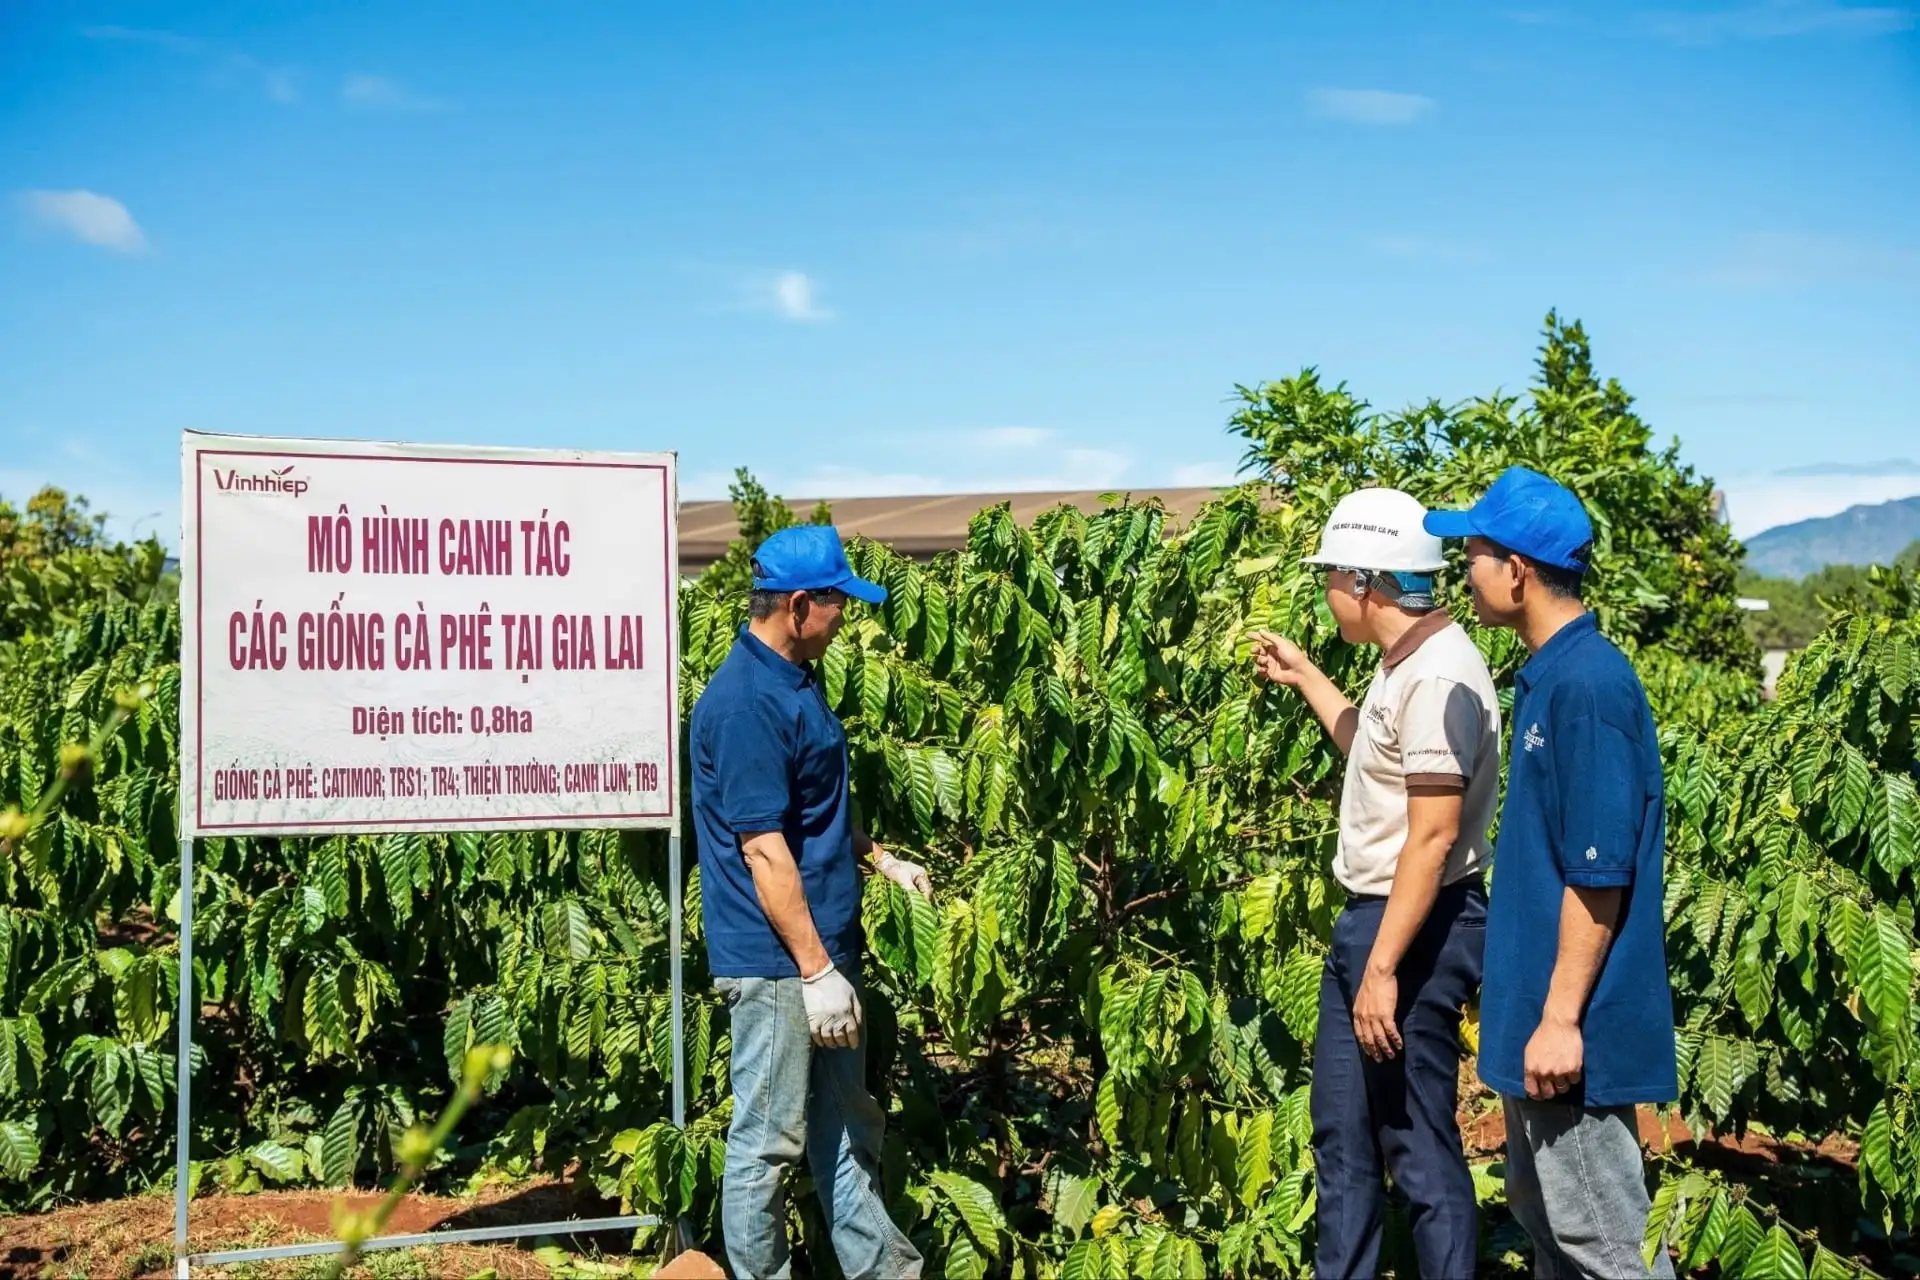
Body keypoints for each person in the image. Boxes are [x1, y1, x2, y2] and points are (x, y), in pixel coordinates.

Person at [1424, 465, 1678, 1279]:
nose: (1465, 571)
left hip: (1571, 1033)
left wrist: (1562, 1017)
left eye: (1473, 553)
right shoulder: (1550, 676)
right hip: (1538, 1020)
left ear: (1517, 570)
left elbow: (1598, 875)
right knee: (1553, 1232)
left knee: (1609, 1245)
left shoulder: (1589, 686)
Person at [1249, 487, 1500, 1280]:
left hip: (1412, 927)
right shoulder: (1407, 665)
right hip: (1378, 924)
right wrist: (1309, 678)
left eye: (1330, 575)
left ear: (1363, 582)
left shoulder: (1437, 676)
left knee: (1417, 1148)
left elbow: (1430, 837)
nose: (1324, 591)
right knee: (1345, 1140)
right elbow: (1375, 753)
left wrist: (1384, 969)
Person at [689, 524, 933, 1280]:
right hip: (777, 966)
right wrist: (814, 970)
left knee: (847, 1129)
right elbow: (764, 850)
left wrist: (881, 859)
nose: (845, 618)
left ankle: (883, 1272)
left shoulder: (799, 678)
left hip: (823, 950)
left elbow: (815, 805)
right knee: (768, 1141)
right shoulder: (745, 706)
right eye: (837, 604)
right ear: (799, 605)